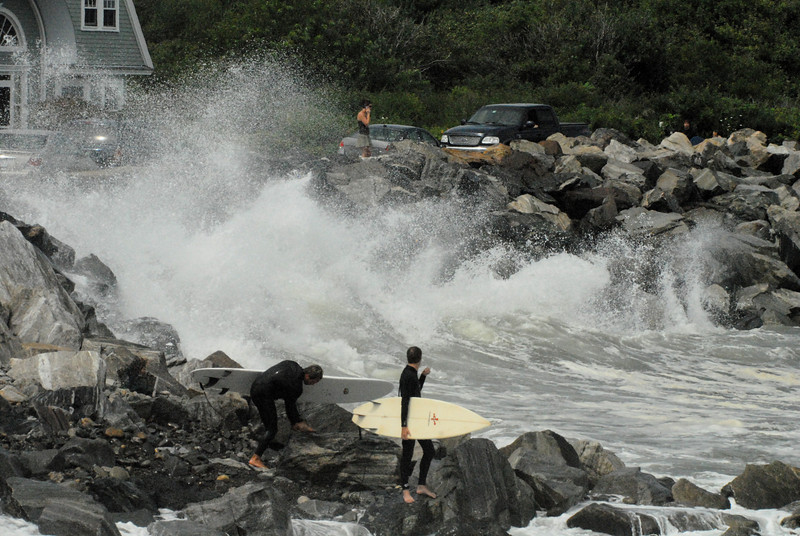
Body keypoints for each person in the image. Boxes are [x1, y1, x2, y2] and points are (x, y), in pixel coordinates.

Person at [248, 360, 323, 469]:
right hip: (262, 396)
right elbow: (289, 406)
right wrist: (296, 422)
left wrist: (295, 421)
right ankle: (255, 458)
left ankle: (265, 445)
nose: (313, 385)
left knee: (269, 424)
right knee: (272, 429)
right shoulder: (296, 387)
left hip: (255, 386)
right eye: (314, 382)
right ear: (308, 376)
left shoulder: (291, 363)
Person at [399, 346, 437, 503]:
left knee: (429, 451)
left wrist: (423, 376)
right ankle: (405, 491)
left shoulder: (411, 374)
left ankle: (421, 485)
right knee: (407, 456)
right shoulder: (408, 375)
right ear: (420, 359)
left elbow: (415, 392)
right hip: (409, 422)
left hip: (416, 420)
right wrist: (404, 425)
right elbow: (405, 401)